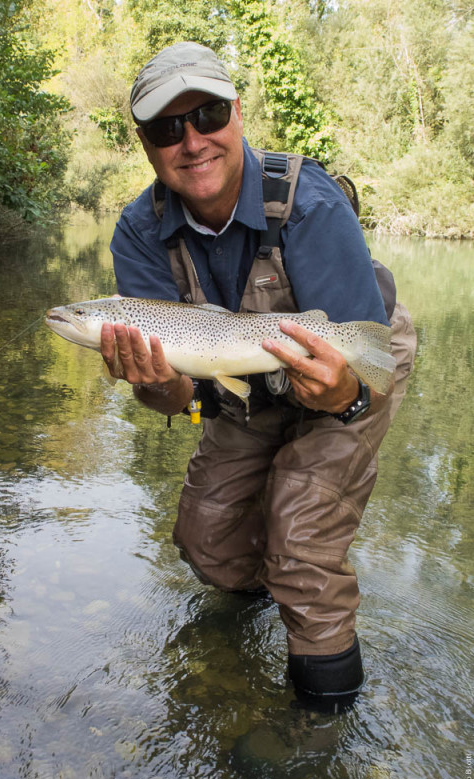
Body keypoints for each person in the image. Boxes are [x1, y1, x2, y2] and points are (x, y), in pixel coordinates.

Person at [100, 41, 416, 706]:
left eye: (208, 114)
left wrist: (343, 393)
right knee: (206, 536)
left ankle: (321, 725)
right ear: (145, 143)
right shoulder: (138, 232)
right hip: (236, 377)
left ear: (238, 113)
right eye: (166, 127)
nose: (191, 141)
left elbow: (355, 367)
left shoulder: (309, 202)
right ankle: (260, 609)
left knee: (301, 532)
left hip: (349, 354)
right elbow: (182, 396)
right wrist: (156, 385)